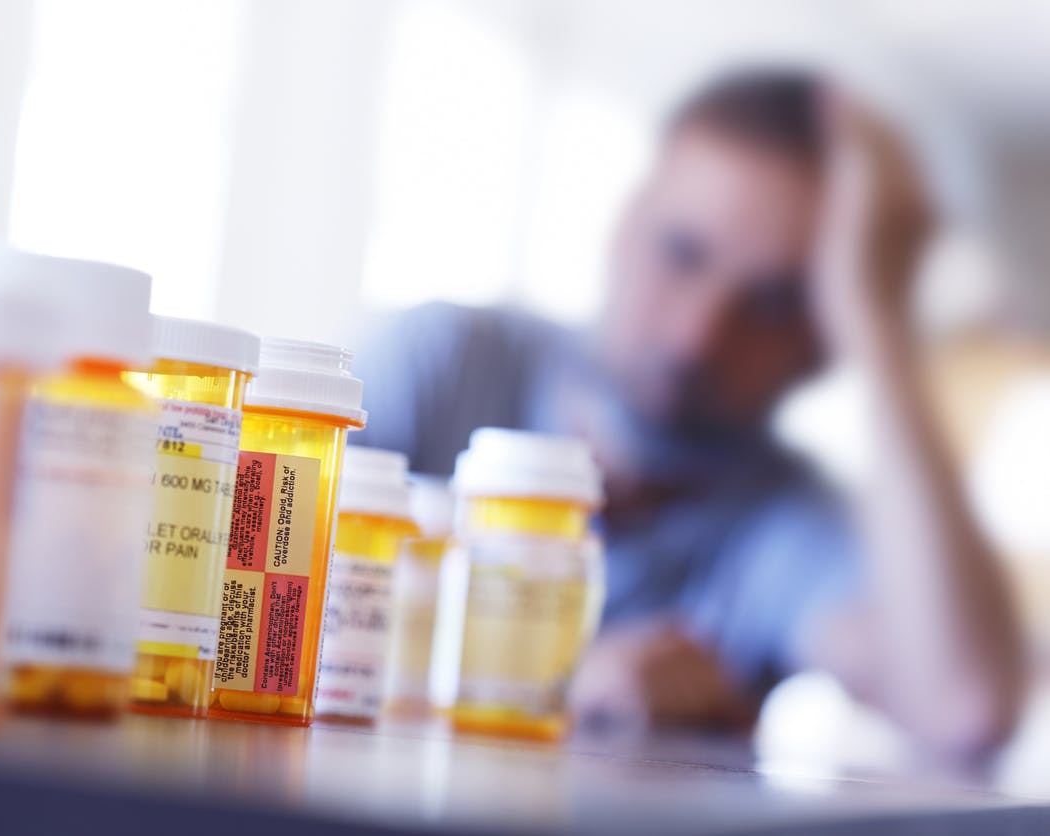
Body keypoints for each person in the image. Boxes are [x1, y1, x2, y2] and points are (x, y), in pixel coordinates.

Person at [353, 68, 1025, 755]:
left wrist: (878, 322)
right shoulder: (448, 364)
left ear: (822, 344)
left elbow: (964, 709)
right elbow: (255, 598)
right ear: (622, 226)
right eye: (682, 253)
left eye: (771, 303)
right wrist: (554, 687)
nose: (696, 337)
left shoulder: (782, 523)